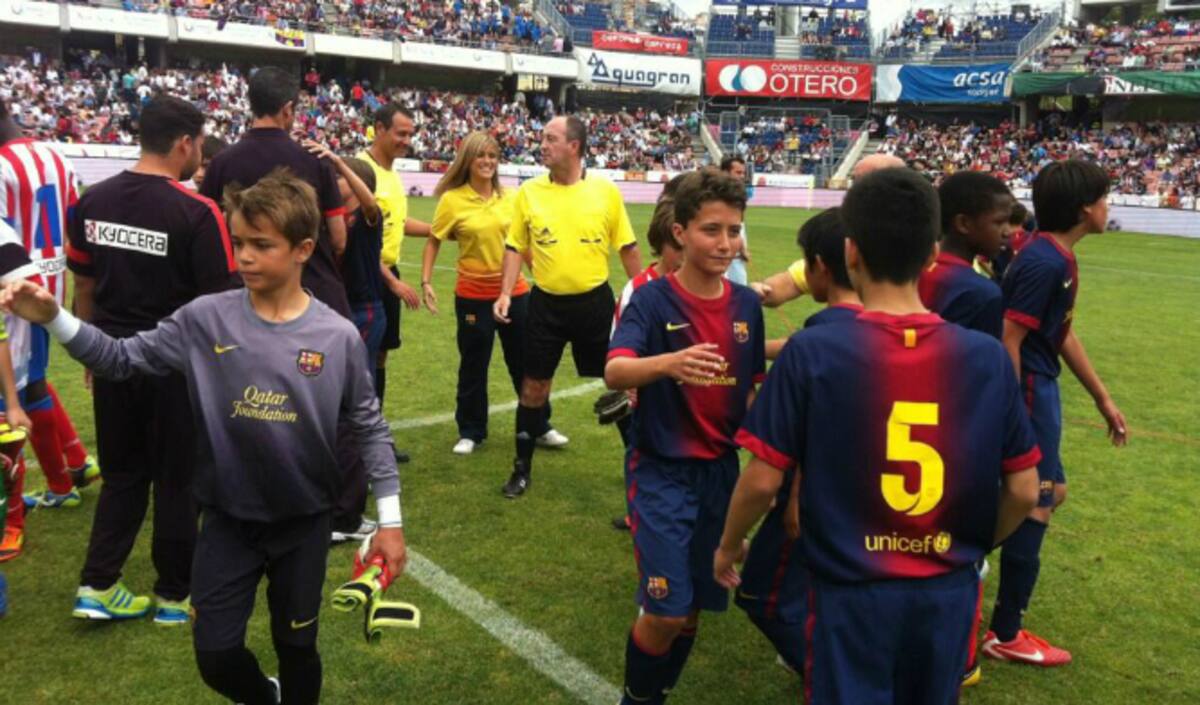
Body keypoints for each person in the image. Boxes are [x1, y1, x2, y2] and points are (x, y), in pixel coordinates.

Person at [0, 171, 408, 705]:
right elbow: (119, 359)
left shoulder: (336, 336)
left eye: (262, 245)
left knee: (297, 644)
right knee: (214, 656)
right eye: (239, 243)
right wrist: (55, 317)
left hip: (304, 521)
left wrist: (392, 523)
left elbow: (369, 428)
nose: (245, 257)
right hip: (226, 519)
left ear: (304, 249)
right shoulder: (204, 318)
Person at [716, 167, 1042, 705]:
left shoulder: (815, 351)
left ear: (850, 253)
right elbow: (1025, 491)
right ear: (932, 255)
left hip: (852, 590)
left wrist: (727, 548)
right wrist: (969, 548)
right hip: (947, 588)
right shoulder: (985, 356)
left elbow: (762, 478)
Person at [64, 95, 239, 624]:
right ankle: (173, 595)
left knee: (122, 474)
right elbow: (220, 308)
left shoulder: (92, 202)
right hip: (174, 365)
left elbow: (84, 288)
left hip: (114, 357)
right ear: (185, 144)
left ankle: (97, 584)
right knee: (176, 479)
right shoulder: (197, 211)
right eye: (200, 144)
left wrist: (91, 353)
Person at [607, 169, 763, 704]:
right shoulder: (652, 302)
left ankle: (658, 691)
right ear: (680, 232)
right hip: (661, 471)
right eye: (711, 230)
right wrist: (670, 363)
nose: (725, 244)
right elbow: (615, 372)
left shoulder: (747, 308)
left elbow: (749, 390)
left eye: (734, 231)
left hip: (720, 473)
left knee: (693, 605)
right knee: (666, 609)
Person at [985, 159, 1127, 667]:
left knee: (1052, 493)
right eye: (1105, 197)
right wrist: (1009, 414)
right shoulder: (1045, 261)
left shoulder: (1055, 256)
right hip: (1027, 389)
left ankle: (971, 567)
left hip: (1042, 387)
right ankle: (1002, 629)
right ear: (1085, 208)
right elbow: (1010, 338)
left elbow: (1059, 332)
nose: (1109, 205)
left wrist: (1102, 397)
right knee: (1036, 500)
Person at [736, 207, 859, 675]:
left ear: (822, 267)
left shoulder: (820, 342)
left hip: (815, 498)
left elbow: (766, 470)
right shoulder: (902, 328)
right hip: (875, 500)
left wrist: (728, 544)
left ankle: (836, 678)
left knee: (761, 594)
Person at [493, 115, 642, 498]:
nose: (541, 144)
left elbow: (627, 246)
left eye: (550, 138)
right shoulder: (529, 192)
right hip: (545, 306)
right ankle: (521, 470)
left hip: (595, 304)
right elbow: (513, 246)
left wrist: (644, 293)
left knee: (618, 381)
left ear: (573, 146)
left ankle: (642, 470)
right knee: (533, 387)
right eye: (542, 137)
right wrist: (506, 292)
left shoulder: (605, 192)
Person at [421, 131, 559, 455]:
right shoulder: (452, 200)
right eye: (480, 155)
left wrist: (542, 272)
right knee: (474, 363)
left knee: (525, 361)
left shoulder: (512, 197)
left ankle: (539, 425)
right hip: (472, 295)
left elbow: (520, 243)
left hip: (515, 292)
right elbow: (434, 240)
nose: (486, 162)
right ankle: (471, 430)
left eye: (492, 156)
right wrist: (426, 282)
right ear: (467, 160)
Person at [0, 100, 99, 518]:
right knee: (33, 380)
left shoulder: (2, 166)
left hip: (16, 288)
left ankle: (56, 485)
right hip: (54, 283)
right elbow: (75, 218)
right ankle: (76, 462)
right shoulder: (54, 155)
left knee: (17, 391)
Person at [608, 197, 684, 532]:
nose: (685, 257)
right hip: (649, 396)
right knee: (642, 454)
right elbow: (620, 344)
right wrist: (630, 385)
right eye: (676, 249)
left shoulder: (706, 286)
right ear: (660, 245)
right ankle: (638, 514)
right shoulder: (638, 290)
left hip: (691, 397)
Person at [359, 104, 430, 457]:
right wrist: (392, 283)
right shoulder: (363, 171)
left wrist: (440, 231)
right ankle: (357, 438)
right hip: (367, 276)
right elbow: (357, 239)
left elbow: (397, 225)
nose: (407, 140)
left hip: (387, 272)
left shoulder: (391, 173)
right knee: (361, 359)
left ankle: (375, 436)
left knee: (382, 356)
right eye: (401, 133)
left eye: (410, 134)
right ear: (379, 129)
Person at [919, 171, 1012, 340]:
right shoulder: (983, 294)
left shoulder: (910, 271)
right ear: (963, 223)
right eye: (999, 222)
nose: (1008, 232)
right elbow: (981, 364)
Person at [720, 156, 751, 286]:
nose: (742, 176)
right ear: (726, 173)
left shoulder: (738, 194)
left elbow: (740, 224)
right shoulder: (718, 195)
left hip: (736, 251)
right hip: (726, 248)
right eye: (738, 172)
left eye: (743, 173)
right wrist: (742, 248)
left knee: (738, 288)